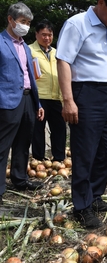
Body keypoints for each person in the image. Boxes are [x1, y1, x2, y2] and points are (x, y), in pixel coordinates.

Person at [56, 0, 107, 228]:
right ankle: (82, 207)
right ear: (101, 2)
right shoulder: (77, 24)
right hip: (86, 92)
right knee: (84, 152)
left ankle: (95, 195)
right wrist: (68, 100)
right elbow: (63, 61)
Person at [0, 2, 45, 197]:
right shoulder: (0, 43)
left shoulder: (26, 47)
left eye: (28, 22)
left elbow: (30, 76)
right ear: (10, 20)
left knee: (23, 142)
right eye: (22, 21)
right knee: (3, 146)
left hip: (27, 98)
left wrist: (38, 103)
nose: (25, 26)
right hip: (7, 101)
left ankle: (19, 179)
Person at [29, 19, 66, 162]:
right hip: (39, 97)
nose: (47, 38)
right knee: (38, 130)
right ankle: (38, 159)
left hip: (56, 97)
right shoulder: (29, 50)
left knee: (59, 130)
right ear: (36, 34)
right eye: (43, 34)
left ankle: (59, 158)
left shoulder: (57, 53)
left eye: (50, 35)